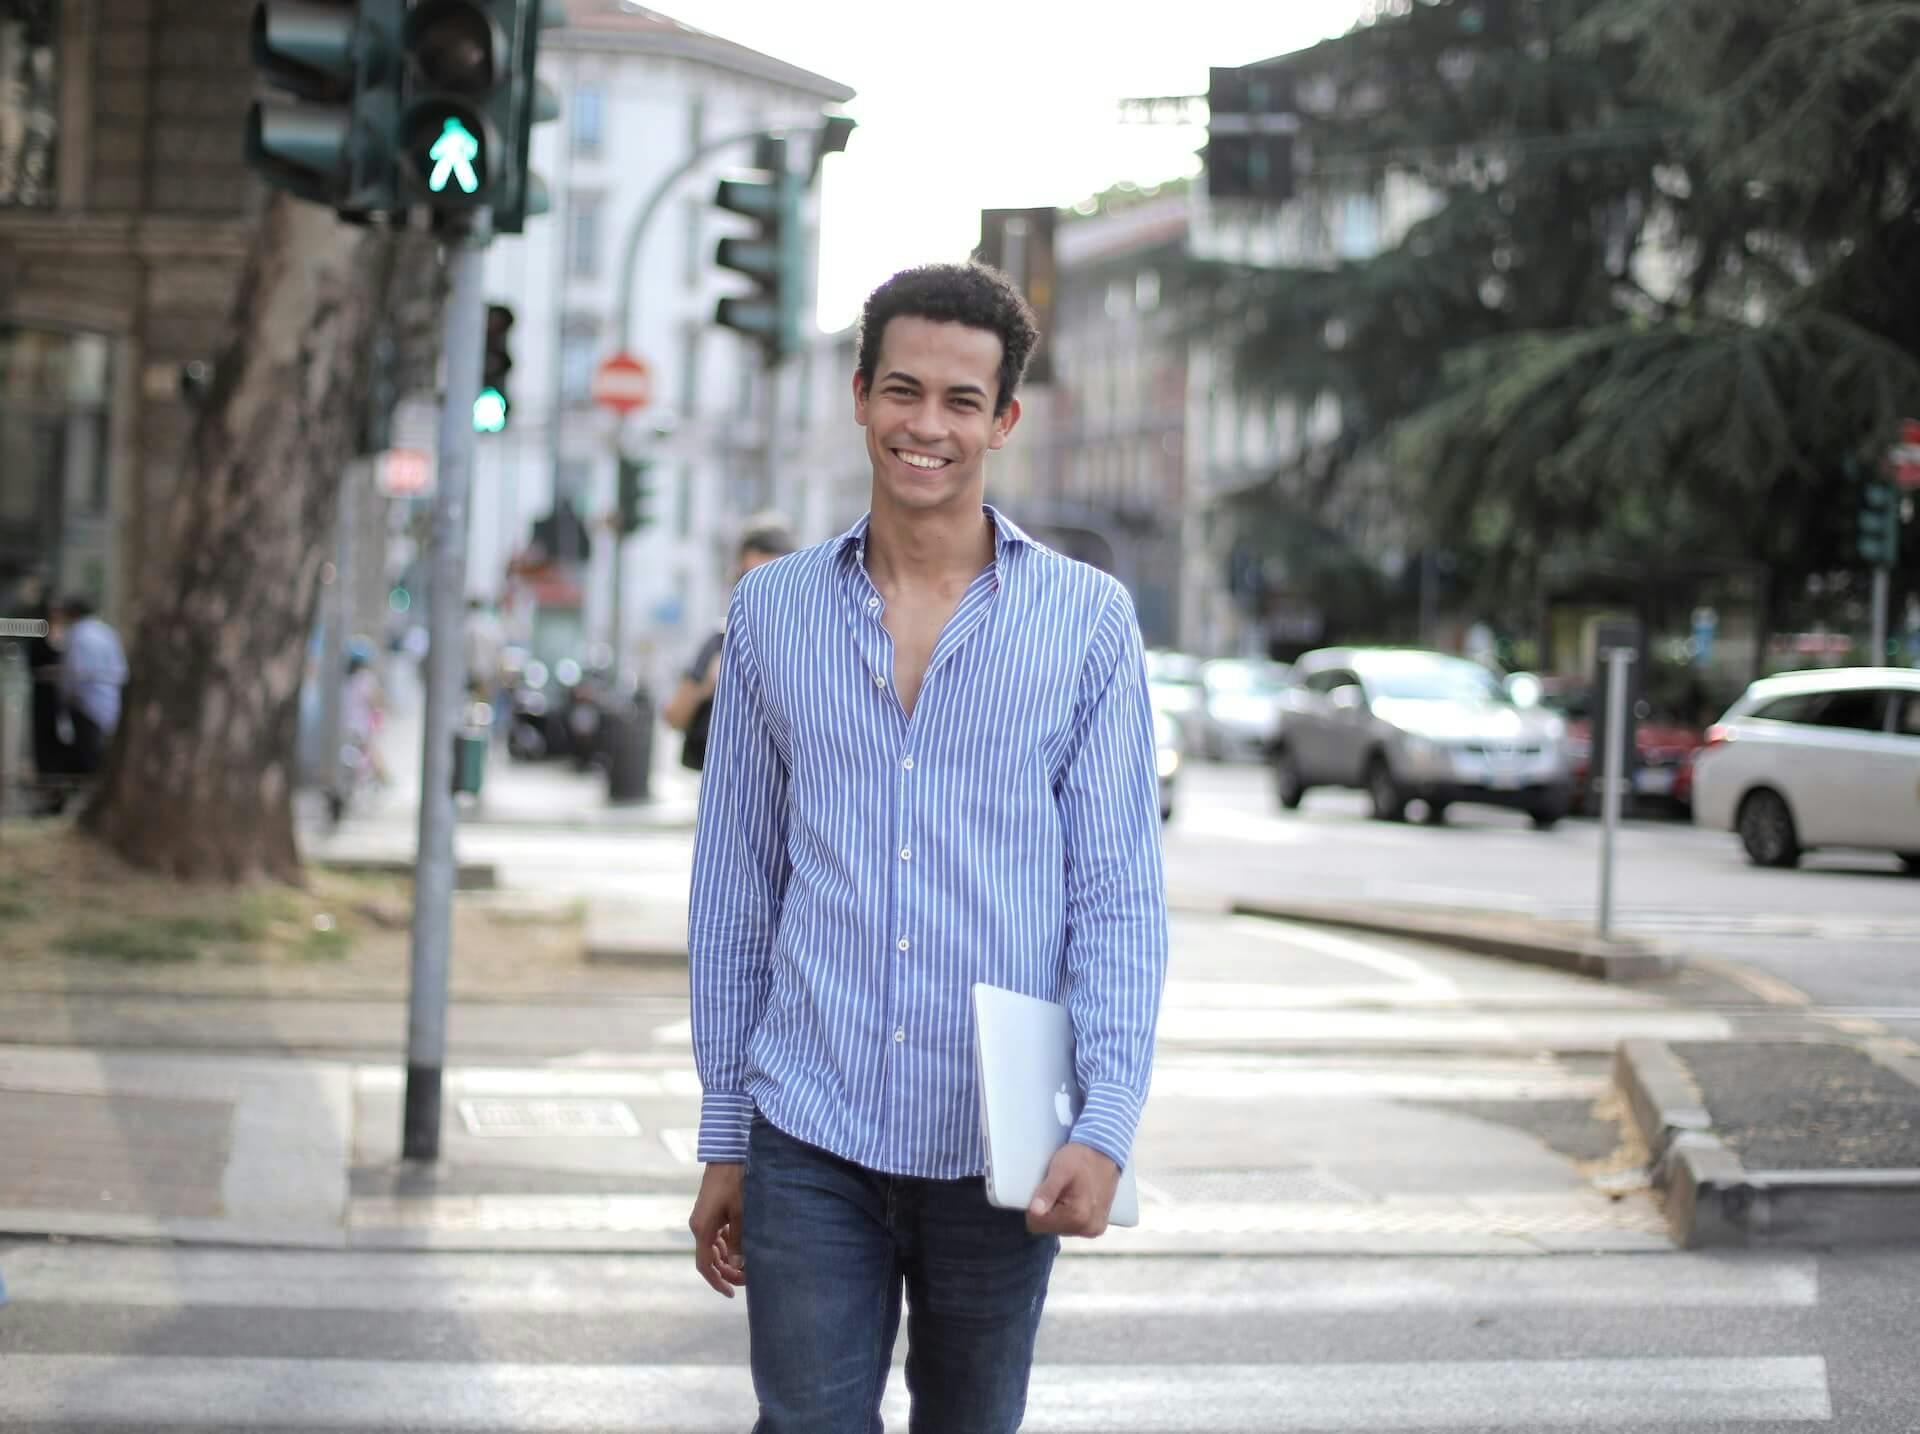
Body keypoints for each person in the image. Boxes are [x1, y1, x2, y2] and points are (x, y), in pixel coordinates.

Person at [686, 263, 1169, 1433]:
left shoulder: (1088, 620)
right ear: (859, 397)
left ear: (1004, 419)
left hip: (998, 1137)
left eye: (963, 401)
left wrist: (1102, 1126)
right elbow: (735, 888)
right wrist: (725, 1131)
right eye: (903, 391)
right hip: (812, 1127)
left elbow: (1117, 898)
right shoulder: (771, 614)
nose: (927, 426)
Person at [662, 516, 795, 772]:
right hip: (724, 787)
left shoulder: (806, 646)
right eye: (747, 579)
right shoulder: (721, 641)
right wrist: (707, 686)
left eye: (770, 582)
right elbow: (674, 717)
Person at [51, 594, 127, 784]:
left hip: (85, 704)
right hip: (110, 702)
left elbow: (75, 673)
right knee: (101, 754)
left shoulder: (78, 635)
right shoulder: (107, 633)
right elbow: (121, 670)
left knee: (88, 756)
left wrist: (64, 698)